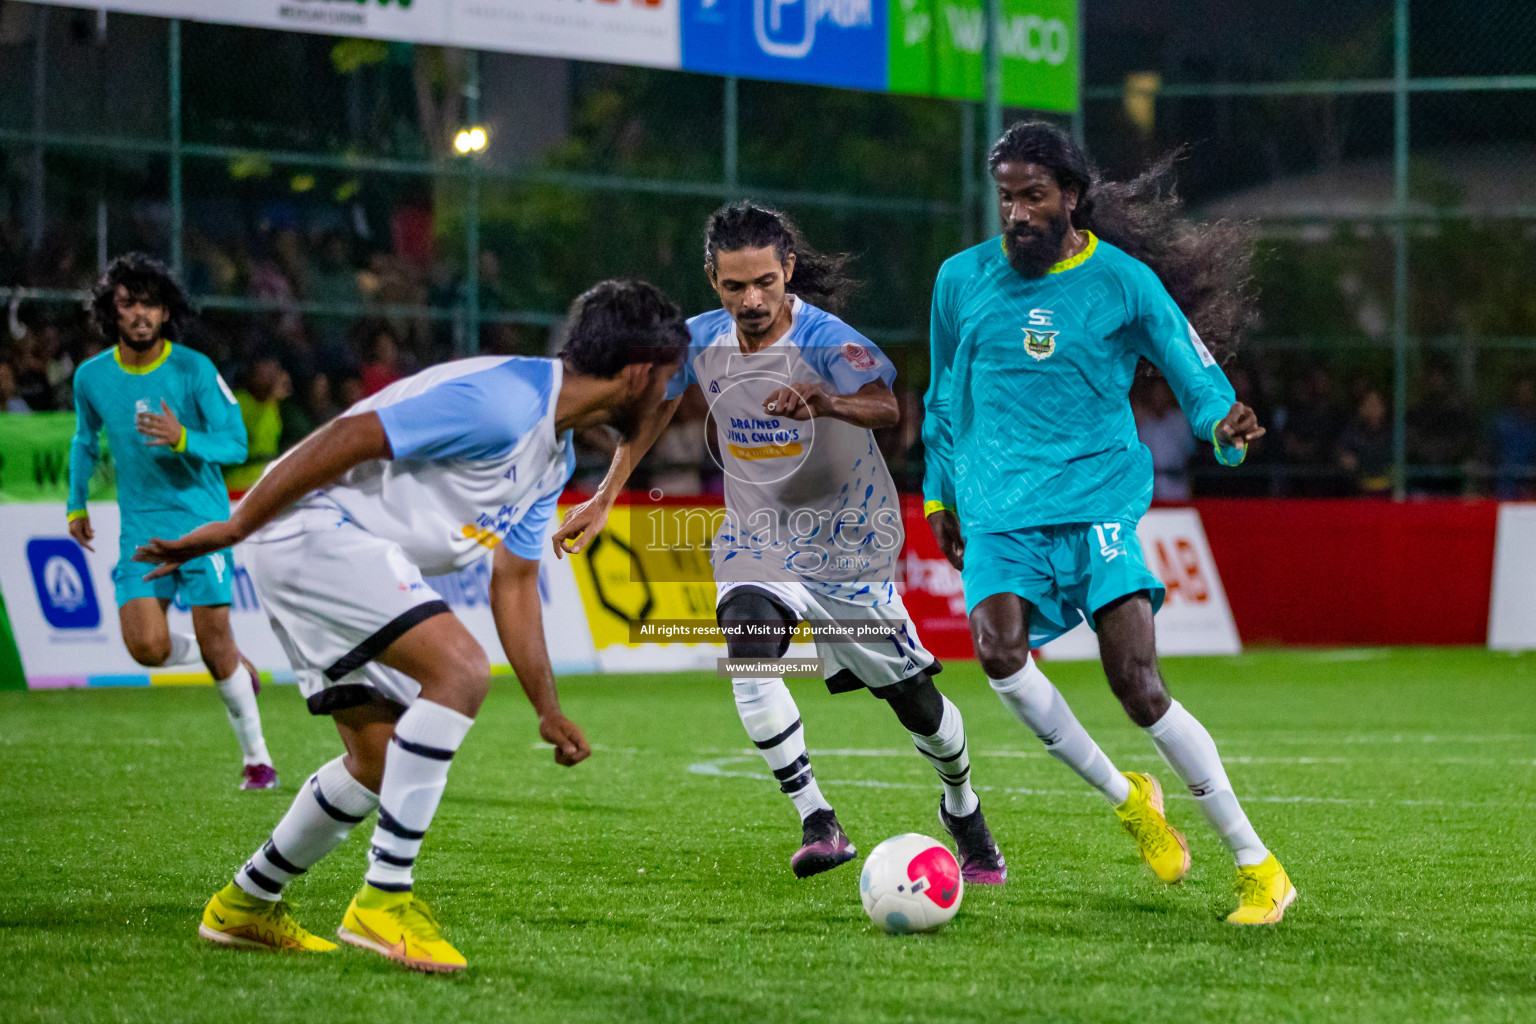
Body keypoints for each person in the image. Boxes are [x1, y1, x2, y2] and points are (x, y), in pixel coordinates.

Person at [138, 279, 688, 972]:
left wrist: (548, 708)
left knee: (375, 763)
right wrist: (240, 522)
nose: (674, 398)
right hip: (313, 531)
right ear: (637, 373)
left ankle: (246, 903)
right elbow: (349, 434)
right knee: (457, 670)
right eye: (669, 380)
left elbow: (514, 582)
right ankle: (384, 900)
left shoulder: (555, 453)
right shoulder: (505, 402)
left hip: (328, 549)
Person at [557, 204, 1008, 884]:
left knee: (917, 705)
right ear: (713, 279)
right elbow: (648, 414)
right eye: (736, 286)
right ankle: (816, 818)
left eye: (765, 282)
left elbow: (886, 404)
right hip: (757, 536)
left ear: (788, 269)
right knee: (747, 649)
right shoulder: (699, 340)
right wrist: (606, 494)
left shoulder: (827, 339)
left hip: (847, 546)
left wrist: (825, 400)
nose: (753, 300)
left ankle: (963, 807)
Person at [923, 121, 1294, 925]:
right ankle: (1129, 800)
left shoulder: (1122, 282)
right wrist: (938, 494)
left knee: (1136, 683)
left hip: (1096, 503)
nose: (1017, 213)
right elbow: (944, 398)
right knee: (998, 655)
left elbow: (1188, 361)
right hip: (997, 508)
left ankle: (1257, 863)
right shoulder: (960, 281)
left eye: (1033, 196)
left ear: (1071, 197)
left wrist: (1221, 425)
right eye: (1006, 197)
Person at [66, 254, 275, 789]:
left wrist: (183, 437)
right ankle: (232, 663)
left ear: (166, 313)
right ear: (111, 313)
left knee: (215, 639)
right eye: (127, 303)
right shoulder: (91, 377)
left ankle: (258, 761)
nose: (139, 314)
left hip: (202, 523)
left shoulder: (194, 369)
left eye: (150, 304)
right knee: (147, 649)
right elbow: (84, 441)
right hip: (141, 526)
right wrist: (76, 502)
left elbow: (235, 443)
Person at [1336, 387, 1393, 497]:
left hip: (1390, 492)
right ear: (1361, 408)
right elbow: (1342, 455)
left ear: (1383, 407)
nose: (1372, 408)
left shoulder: (1393, 432)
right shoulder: (1352, 431)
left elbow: (1389, 457)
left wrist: (1361, 459)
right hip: (1359, 491)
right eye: (1368, 403)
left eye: (1376, 403)